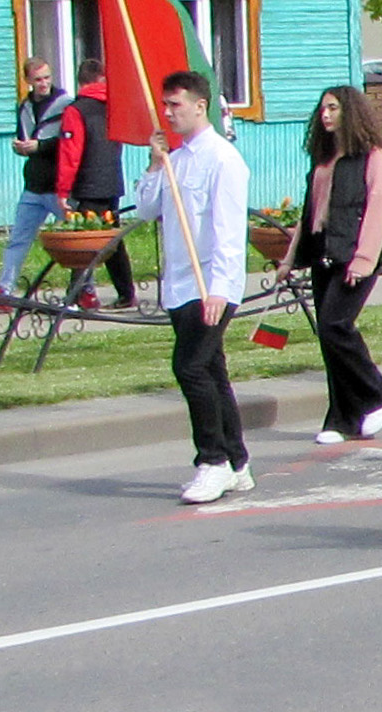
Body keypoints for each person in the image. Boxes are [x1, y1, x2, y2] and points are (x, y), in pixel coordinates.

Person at [140, 70, 252, 505]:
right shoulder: (177, 158)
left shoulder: (223, 160)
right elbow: (149, 210)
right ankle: (238, 462)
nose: (168, 112)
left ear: (200, 105)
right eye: (165, 105)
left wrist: (220, 289)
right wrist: (154, 164)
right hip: (179, 285)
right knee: (211, 371)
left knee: (189, 367)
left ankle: (212, 460)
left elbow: (228, 231)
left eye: (176, 105)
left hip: (210, 285)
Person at [279, 86, 382, 445]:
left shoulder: (371, 157)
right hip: (323, 253)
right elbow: (309, 213)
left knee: (335, 325)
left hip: (354, 257)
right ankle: (342, 417)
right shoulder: (324, 158)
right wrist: (289, 259)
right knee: (327, 336)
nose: (326, 115)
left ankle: (379, 393)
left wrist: (363, 260)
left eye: (333, 108)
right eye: (323, 109)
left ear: (350, 112)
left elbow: (381, 208)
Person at [54, 58, 135, 310]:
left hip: (88, 183)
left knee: (84, 241)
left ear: (80, 82)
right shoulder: (113, 107)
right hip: (112, 181)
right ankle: (126, 292)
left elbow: (71, 153)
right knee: (111, 239)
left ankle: (73, 297)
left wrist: (63, 190)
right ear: (102, 79)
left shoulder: (76, 110)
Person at [0, 57, 72, 296]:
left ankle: (85, 288)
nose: (43, 84)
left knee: (76, 240)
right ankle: (5, 288)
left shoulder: (65, 104)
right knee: (19, 238)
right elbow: (25, 137)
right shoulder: (25, 106)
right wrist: (20, 147)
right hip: (33, 185)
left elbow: (68, 142)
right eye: (38, 79)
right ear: (28, 81)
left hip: (58, 184)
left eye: (47, 78)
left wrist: (39, 147)